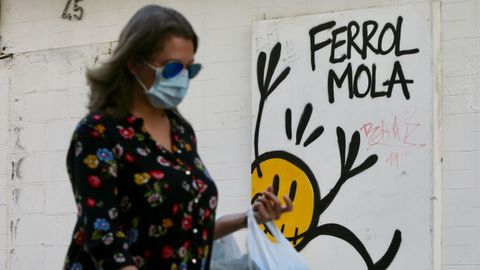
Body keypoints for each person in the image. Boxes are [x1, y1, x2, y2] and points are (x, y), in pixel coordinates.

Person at [63, 5, 293, 270]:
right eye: (172, 68)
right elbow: (103, 239)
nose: (182, 78)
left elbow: (187, 232)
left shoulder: (181, 132)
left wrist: (248, 218)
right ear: (134, 63)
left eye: (190, 69)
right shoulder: (98, 133)